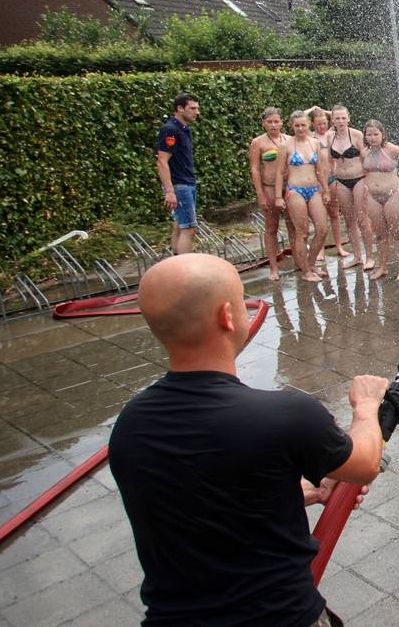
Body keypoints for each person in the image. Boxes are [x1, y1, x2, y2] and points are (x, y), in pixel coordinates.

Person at [109, 254, 384, 627]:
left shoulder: (130, 425)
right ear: (227, 316)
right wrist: (366, 407)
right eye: (242, 299)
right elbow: (365, 463)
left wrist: (308, 492)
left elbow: (201, 500)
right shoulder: (286, 415)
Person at [274, 111, 331, 284]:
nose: (300, 128)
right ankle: (305, 271)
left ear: (309, 125)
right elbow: (279, 173)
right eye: (297, 125)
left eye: (303, 125)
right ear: (291, 126)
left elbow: (320, 169)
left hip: (314, 189)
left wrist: (326, 190)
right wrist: (278, 196)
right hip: (295, 190)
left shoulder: (315, 143)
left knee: (322, 229)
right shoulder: (286, 146)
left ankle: (311, 263)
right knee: (302, 232)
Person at [360, 120, 399, 282]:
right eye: (369, 134)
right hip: (373, 196)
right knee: (380, 234)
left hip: (393, 194)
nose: (372, 137)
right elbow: (364, 170)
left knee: (398, 233)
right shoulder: (364, 151)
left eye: (375, 134)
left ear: (382, 134)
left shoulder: (391, 149)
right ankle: (383, 267)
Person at [248, 107, 290, 281]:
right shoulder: (258, 143)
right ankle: (273, 268)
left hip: (290, 187)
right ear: (263, 123)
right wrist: (260, 194)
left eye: (276, 121)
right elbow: (255, 168)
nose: (273, 125)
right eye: (269, 122)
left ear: (282, 122)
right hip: (270, 188)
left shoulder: (289, 139)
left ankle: (303, 262)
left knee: (294, 226)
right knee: (271, 228)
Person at [155, 93, 200, 255]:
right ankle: (185, 268)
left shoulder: (184, 129)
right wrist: (170, 191)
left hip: (187, 182)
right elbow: (162, 161)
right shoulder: (170, 130)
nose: (196, 112)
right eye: (192, 108)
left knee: (180, 225)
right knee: (189, 227)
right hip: (179, 185)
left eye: (197, 108)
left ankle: (176, 261)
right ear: (180, 109)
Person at [326, 105, 369, 268]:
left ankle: (370, 257)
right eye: (337, 118)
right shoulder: (330, 137)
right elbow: (329, 161)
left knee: (362, 219)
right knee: (349, 220)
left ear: (348, 118)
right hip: (341, 180)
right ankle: (357, 256)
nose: (341, 121)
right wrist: (327, 181)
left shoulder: (356, 134)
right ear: (333, 120)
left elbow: (366, 158)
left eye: (343, 118)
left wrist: (368, 180)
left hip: (359, 178)